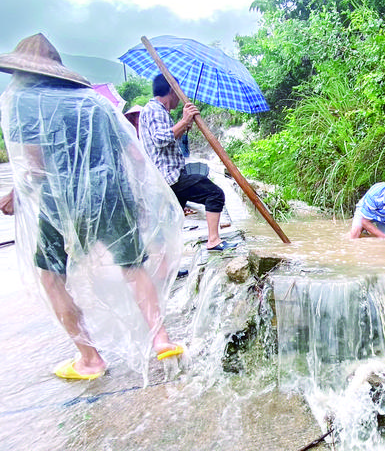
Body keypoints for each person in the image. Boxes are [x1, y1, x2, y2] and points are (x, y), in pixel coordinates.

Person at [0, 33, 184, 380]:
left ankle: (89, 359)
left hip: (61, 201)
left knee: (52, 277)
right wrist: (139, 201)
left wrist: (16, 194)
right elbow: (133, 155)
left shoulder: (22, 103)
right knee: (133, 267)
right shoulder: (94, 103)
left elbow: (35, 168)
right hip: (112, 195)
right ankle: (161, 339)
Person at [139, 74, 235, 251]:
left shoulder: (159, 111)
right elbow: (160, 140)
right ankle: (213, 240)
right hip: (170, 177)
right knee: (215, 194)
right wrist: (183, 120)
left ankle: (167, 269)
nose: (179, 96)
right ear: (171, 91)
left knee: (171, 222)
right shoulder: (154, 110)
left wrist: (184, 127)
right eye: (178, 91)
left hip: (169, 176)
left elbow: (168, 144)